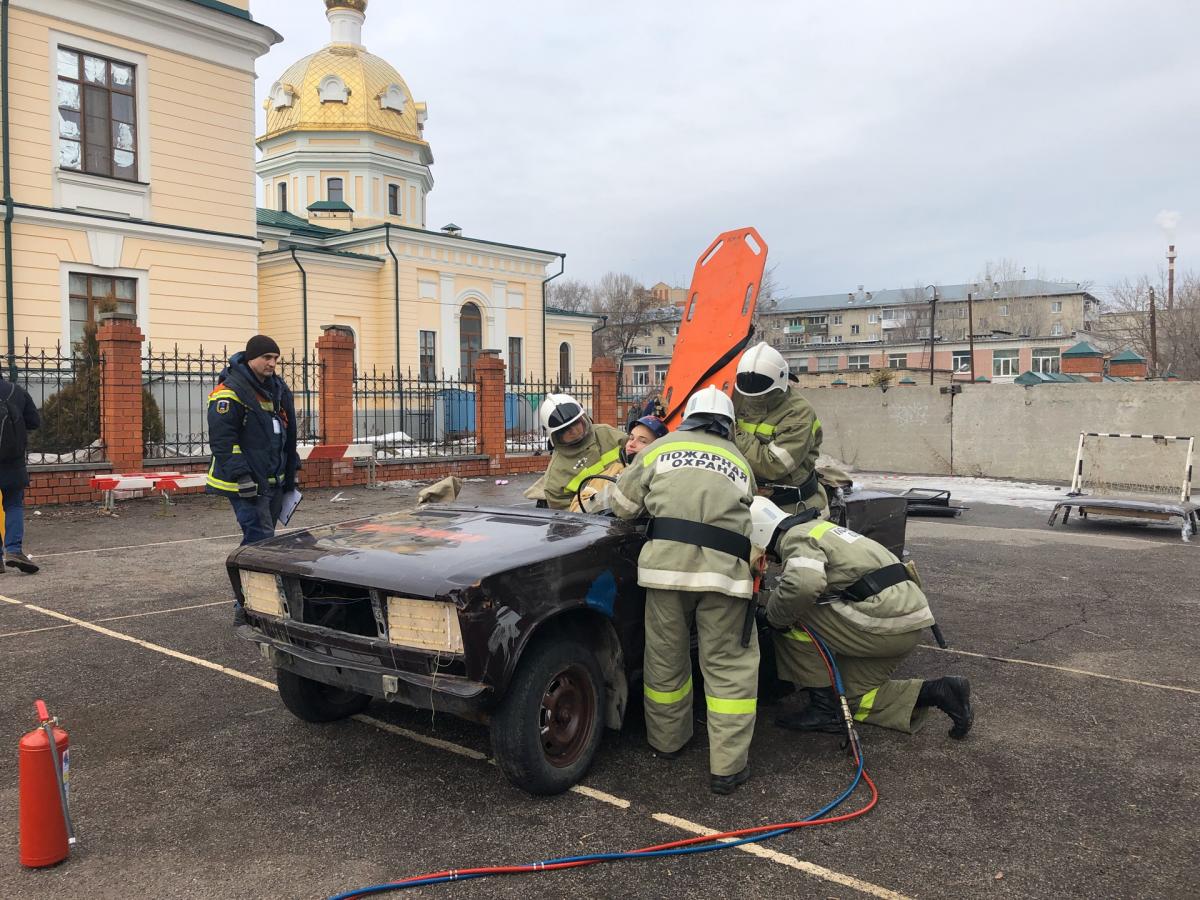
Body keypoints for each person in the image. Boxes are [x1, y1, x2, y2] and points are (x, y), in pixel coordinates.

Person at [610, 386, 759, 795]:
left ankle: (667, 743)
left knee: (665, 659)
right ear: (728, 423)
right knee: (729, 667)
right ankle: (727, 768)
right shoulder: (739, 460)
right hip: (725, 576)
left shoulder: (660, 449)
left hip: (665, 572)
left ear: (688, 417)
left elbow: (622, 504)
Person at [749, 497, 973, 739]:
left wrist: (771, 617)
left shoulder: (796, 538)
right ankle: (940, 691)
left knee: (789, 616)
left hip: (885, 624)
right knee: (851, 698)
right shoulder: (821, 528)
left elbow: (803, 586)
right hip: (906, 622)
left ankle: (824, 710)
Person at [206, 335, 300, 549]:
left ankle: (250, 576)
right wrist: (242, 476)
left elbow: (286, 434)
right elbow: (223, 440)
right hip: (246, 482)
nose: (272, 363)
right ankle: (248, 579)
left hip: (272, 479)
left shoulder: (277, 389)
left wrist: (291, 467)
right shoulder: (229, 392)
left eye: (276, 358)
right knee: (260, 538)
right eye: (267, 357)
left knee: (263, 537)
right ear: (250, 358)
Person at [732, 342, 828, 517]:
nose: (753, 394)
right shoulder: (737, 396)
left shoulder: (798, 414)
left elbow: (774, 466)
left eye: (760, 389)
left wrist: (733, 431)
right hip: (745, 500)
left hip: (790, 507)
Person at [540, 393, 625, 510]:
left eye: (576, 423)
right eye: (565, 430)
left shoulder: (607, 434)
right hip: (597, 523)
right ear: (554, 436)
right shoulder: (556, 475)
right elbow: (567, 517)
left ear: (583, 418)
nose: (574, 431)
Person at [568, 415, 668, 513]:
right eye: (631, 438)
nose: (631, 444)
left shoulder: (664, 478)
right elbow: (577, 510)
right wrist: (611, 493)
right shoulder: (611, 472)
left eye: (642, 441)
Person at [0, 374, 42, 573]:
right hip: (13, 462)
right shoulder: (16, 391)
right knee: (13, 505)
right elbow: (34, 421)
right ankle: (14, 550)